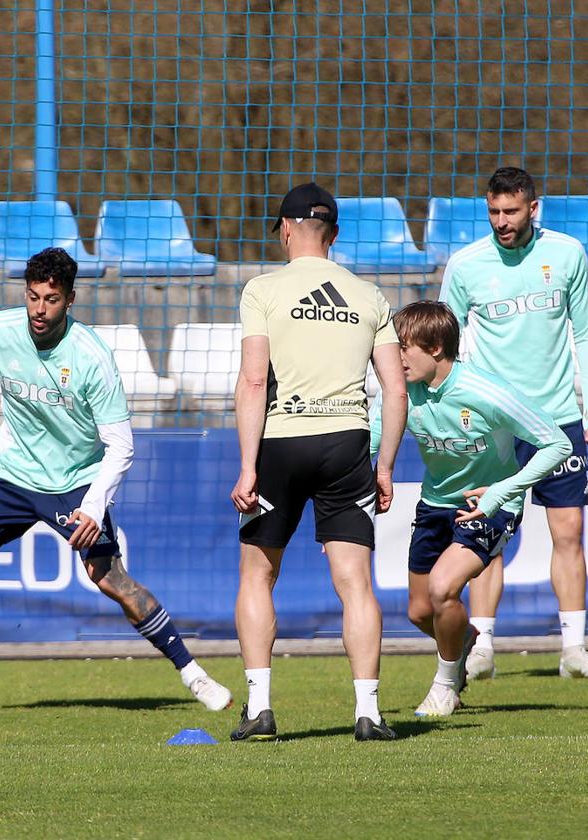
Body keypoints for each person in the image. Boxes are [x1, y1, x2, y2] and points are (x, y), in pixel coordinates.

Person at [0, 246, 232, 712]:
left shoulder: (91, 357)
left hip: (73, 482)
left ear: (70, 300)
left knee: (109, 579)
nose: (38, 310)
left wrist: (92, 505)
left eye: (50, 299)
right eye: (32, 297)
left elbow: (122, 446)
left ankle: (194, 676)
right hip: (10, 476)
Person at [231, 182, 407, 742]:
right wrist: (384, 466)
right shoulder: (370, 294)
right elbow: (396, 392)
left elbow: (255, 379)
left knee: (259, 573)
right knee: (355, 582)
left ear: (285, 230)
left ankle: (260, 708)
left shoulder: (262, 289)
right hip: (348, 443)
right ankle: (370, 713)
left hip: (282, 442)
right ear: (333, 234)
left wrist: (247, 465)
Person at [439, 166, 588, 680]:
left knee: (569, 531)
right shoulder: (465, 264)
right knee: (487, 532)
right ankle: (484, 648)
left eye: (510, 211)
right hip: (494, 425)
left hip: (558, 417)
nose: (501, 222)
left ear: (532, 208)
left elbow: (584, 334)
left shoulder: (567, 254)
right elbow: (443, 344)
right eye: (492, 212)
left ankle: (574, 651)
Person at [379, 301, 572, 716]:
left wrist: (503, 490)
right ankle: (464, 640)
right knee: (419, 611)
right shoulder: (402, 392)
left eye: (403, 348)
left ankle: (445, 686)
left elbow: (558, 443)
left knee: (442, 588)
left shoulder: (487, 391)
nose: (395, 357)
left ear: (435, 349)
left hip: (489, 506)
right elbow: (371, 440)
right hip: (435, 504)